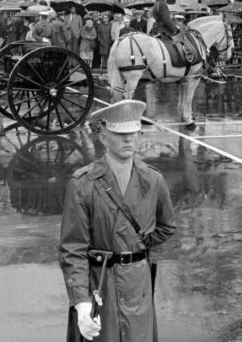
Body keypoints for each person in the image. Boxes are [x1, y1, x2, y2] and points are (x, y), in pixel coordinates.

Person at [59, 100, 177, 342]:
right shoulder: (83, 184)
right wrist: (81, 301)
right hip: (101, 283)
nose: (128, 140)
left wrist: (136, 244)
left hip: (138, 283)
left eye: (133, 132)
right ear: (104, 137)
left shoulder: (153, 180)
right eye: (120, 133)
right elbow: (73, 249)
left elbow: (167, 226)